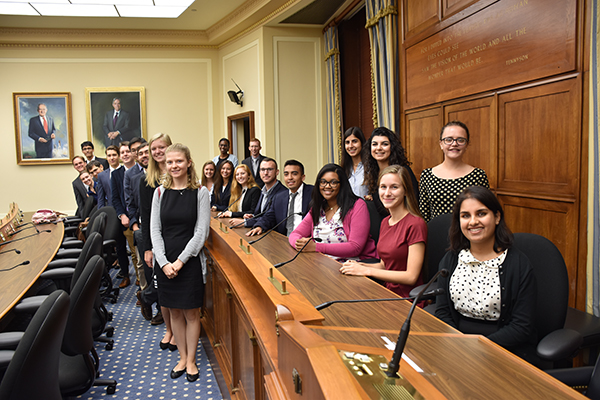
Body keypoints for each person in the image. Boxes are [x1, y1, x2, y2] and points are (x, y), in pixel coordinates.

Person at [435, 186, 537, 361]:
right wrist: (459, 345)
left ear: (497, 217)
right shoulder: (451, 259)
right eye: (465, 215)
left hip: (503, 351)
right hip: (456, 347)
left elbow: (522, 326)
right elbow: (443, 312)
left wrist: (477, 349)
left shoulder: (518, 264)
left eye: (481, 213)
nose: (473, 221)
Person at [150, 143, 210, 382]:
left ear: (189, 163)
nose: (174, 166)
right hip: (164, 262)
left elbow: (201, 232)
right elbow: (155, 230)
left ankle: (193, 360)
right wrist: (164, 262)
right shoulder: (159, 193)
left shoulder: (200, 192)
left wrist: (180, 262)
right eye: (170, 161)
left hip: (190, 260)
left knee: (192, 314)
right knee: (174, 313)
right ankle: (182, 358)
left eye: (179, 161)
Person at [340, 165, 427, 301]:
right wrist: (359, 265)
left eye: (394, 187)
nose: (387, 193)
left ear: (405, 191)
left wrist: (367, 271)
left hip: (407, 300)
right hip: (386, 293)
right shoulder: (385, 222)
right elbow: (385, 265)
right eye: (383, 187)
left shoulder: (415, 224)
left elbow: (411, 277)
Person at [288, 163, 377, 261]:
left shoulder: (358, 206)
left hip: (352, 266)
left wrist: (316, 247)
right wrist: (301, 244)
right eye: (323, 182)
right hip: (321, 264)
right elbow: (295, 234)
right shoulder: (318, 207)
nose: (327, 186)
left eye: (333, 182)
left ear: (342, 184)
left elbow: (355, 247)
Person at [419, 121, 489, 222]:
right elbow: (424, 214)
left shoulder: (478, 175)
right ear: (441, 144)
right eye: (449, 139)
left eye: (460, 140)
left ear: (466, 144)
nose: (454, 144)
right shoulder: (427, 175)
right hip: (436, 234)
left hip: (468, 234)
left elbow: (485, 212)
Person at [139, 133, 173, 332]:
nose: (158, 151)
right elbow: (145, 217)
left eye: (162, 147)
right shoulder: (147, 181)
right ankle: (160, 308)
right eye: (154, 149)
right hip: (156, 236)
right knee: (160, 276)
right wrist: (148, 248)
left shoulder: (178, 172)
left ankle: (149, 298)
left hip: (177, 235)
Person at [245, 159, 313, 236]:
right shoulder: (279, 197)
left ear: (303, 177)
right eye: (286, 174)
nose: (290, 177)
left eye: (294, 174)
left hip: (306, 241)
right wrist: (259, 226)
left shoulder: (313, 193)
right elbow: (269, 217)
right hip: (285, 240)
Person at [363, 127, 418, 217]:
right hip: (385, 223)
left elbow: (414, 202)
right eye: (374, 144)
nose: (379, 148)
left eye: (384, 144)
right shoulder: (373, 173)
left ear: (392, 147)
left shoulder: (403, 171)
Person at [228, 158, 287, 228]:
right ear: (259, 173)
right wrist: (252, 216)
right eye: (263, 170)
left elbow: (271, 219)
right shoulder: (263, 191)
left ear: (277, 172)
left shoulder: (283, 193)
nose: (265, 173)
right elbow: (261, 214)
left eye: (269, 169)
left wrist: (246, 222)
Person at [110, 141, 136, 289]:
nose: (125, 154)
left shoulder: (140, 171)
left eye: (128, 151)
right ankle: (126, 275)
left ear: (133, 153)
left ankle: (141, 279)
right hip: (123, 217)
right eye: (123, 152)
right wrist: (122, 215)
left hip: (137, 217)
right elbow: (115, 198)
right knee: (121, 248)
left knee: (136, 251)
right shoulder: (116, 174)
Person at [341, 127, 368, 198]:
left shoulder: (370, 167)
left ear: (362, 143)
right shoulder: (343, 169)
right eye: (347, 142)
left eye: (354, 141)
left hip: (366, 208)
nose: (350, 146)